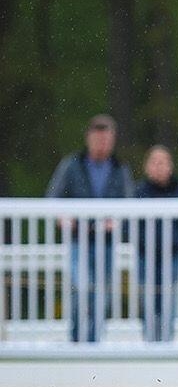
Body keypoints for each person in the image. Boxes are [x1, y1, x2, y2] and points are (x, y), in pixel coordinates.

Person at [45, 114, 134, 343]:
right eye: (98, 139)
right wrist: (65, 217)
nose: (102, 144)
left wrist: (116, 221)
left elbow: (129, 204)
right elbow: (53, 198)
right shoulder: (72, 164)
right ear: (88, 138)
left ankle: (95, 341)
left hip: (106, 242)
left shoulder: (119, 168)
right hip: (78, 240)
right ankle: (77, 340)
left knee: (101, 294)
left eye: (107, 139)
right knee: (81, 289)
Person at [135, 145, 178, 341]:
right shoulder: (139, 191)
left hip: (170, 254)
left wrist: (171, 242)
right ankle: (149, 340)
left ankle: (166, 340)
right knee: (147, 301)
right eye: (154, 162)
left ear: (170, 166)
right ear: (147, 166)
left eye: (163, 162)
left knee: (167, 301)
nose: (158, 167)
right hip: (145, 254)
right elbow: (134, 227)